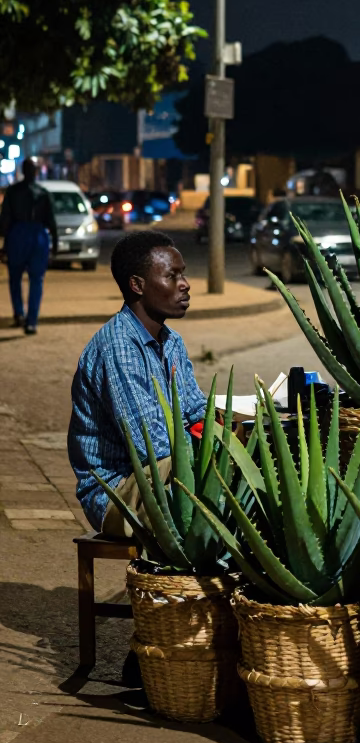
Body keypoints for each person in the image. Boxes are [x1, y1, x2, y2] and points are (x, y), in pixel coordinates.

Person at [68, 230, 206, 537]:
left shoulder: (171, 341)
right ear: (137, 285)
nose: (185, 284)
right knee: (228, 474)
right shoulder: (118, 347)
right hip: (118, 493)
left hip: (165, 475)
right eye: (172, 276)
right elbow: (149, 446)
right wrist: (214, 442)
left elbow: (196, 410)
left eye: (182, 274)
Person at [0, 157, 58, 334]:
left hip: (17, 234)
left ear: (22, 171)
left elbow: (5, 220)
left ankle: (19, 312)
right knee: (36, 280)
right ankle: (32, 320)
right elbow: (51, 220)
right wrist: (55, 243)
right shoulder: (43, 192)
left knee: (15, 277)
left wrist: (4, 244)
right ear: (36, 172)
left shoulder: (13, 191)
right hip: (38, 236)